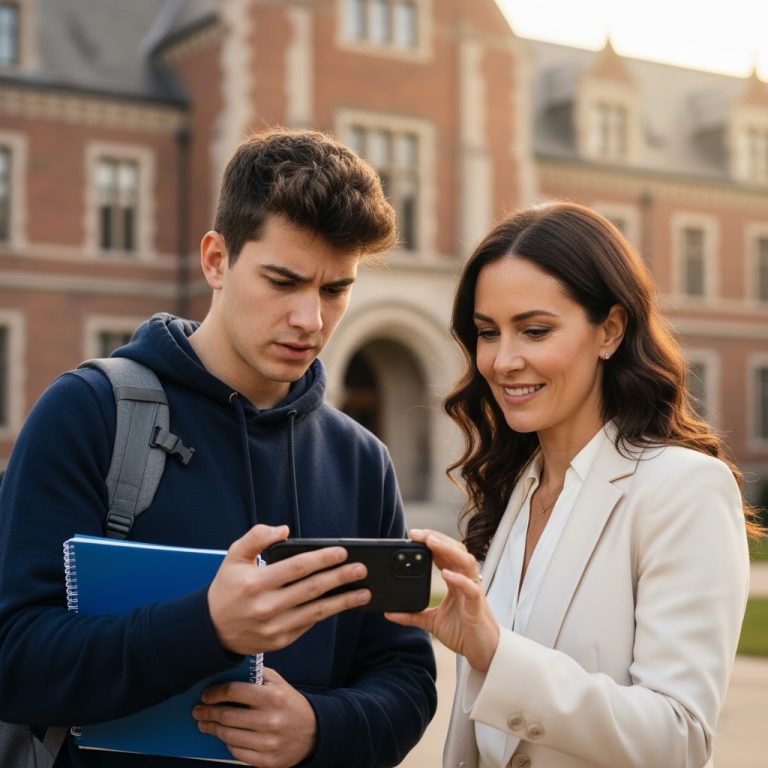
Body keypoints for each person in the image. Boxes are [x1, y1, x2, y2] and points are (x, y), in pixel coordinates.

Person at [0, 128, 436, 768]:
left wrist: (320, 728)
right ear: (215, 260)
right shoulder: (87, 411)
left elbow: (407, 679)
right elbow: (13, 657)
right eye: (282, 281)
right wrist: (206, 628)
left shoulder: (362, 459)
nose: (310, 319)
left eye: (335, 289)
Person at [388, 201, 756, 768]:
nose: (504, 360)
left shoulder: (684, 489)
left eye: (535, 331)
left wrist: (497, 654)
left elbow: (677, 738)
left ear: (609, 330)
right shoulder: (513, 494)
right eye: (488, 333)